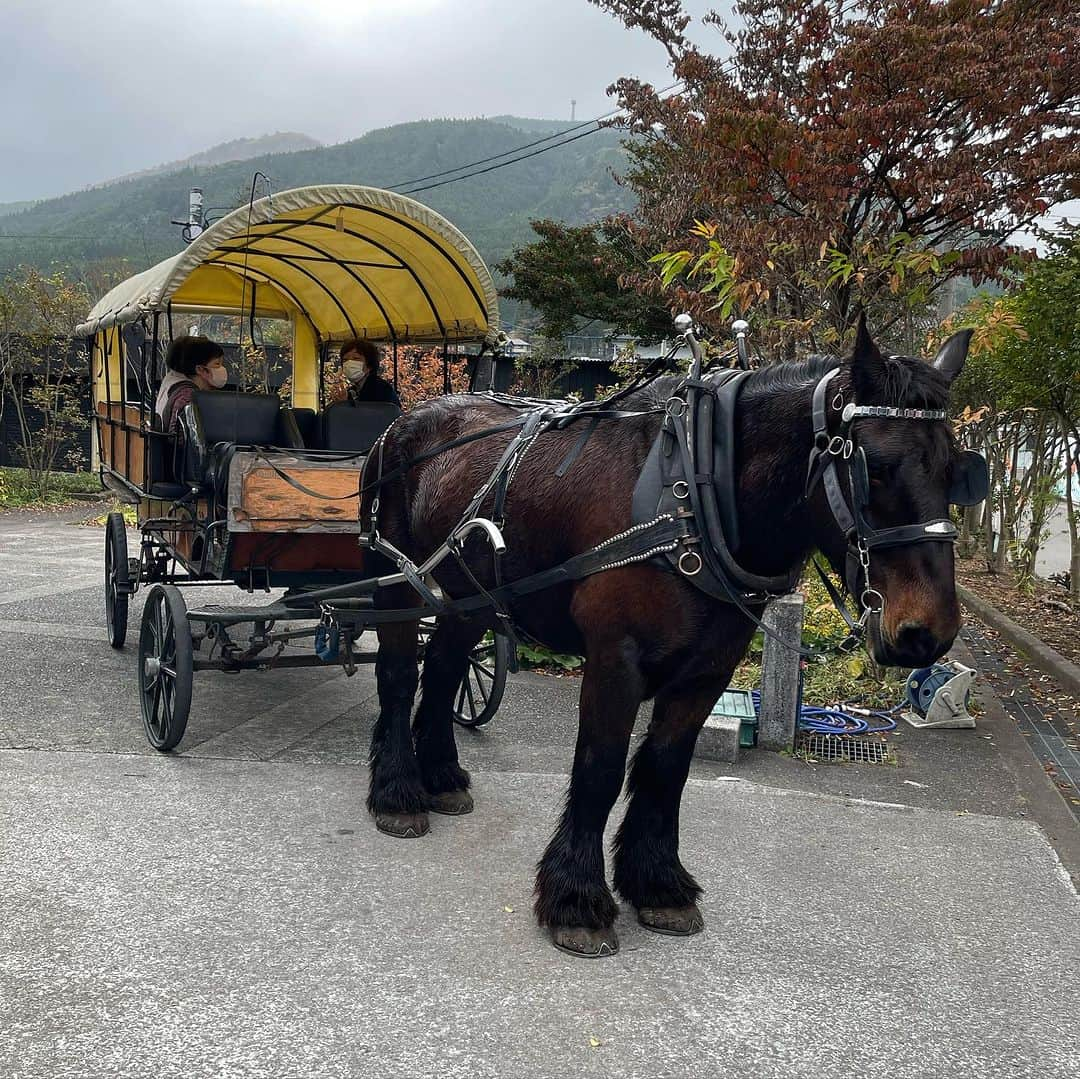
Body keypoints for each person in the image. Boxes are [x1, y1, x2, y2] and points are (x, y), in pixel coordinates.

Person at [155, 336, 228, 433]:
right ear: (200, 369)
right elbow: (184, 437)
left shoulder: (172, 380)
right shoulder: (188, 395)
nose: (222, 368)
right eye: (217, 364)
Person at [337, 338, 401, 406]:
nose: (349, 363)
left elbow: (371, 415)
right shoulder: (352, 391)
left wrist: (345, 405)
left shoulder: (381, 390)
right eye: (345, 360)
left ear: (369, 365)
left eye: (356, 358)